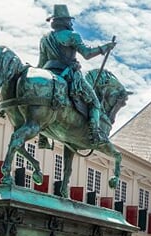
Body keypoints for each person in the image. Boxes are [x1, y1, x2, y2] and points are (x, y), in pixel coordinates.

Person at [38, 4, 116, 147]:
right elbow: (87, 54)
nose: (71, 23)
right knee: (95, 103)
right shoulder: (72, 36)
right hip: (68, 75)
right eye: (69, 20)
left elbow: (41, 63)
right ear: (66, 21)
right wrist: (106, 47)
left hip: (47, 73)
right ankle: (94, 133)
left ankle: (42, 136)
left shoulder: (45, 39)